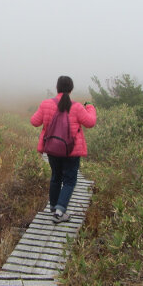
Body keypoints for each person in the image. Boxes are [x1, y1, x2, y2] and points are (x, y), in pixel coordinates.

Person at [30, 76, 97, 222]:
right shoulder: (77, 106)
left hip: (52, 149)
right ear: (71, 89)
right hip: (71, 151)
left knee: (56, 177)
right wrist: (90, 107)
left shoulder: (46, 104)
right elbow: (90, 122)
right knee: (69, 180)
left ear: (57, 87)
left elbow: (34, 122)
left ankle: (54, 207)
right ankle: (60, 212)